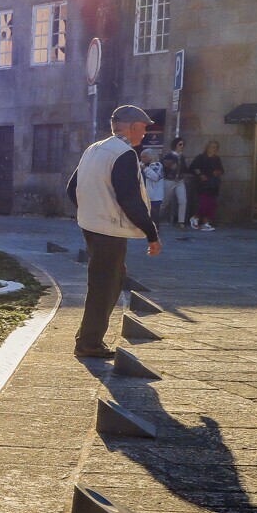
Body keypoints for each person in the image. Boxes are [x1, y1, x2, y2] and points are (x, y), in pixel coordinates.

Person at [67, 105, 161, 359]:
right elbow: (129, 198)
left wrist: (91, 211)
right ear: (133, 127)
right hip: (109, 228)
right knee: (105, 285)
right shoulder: (124, 153)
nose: (144, 133)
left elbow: (72, 188)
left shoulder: (94, 149)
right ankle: (89, 343)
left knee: (109, 280)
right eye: (143, 128)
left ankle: (88, 338)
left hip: (92, 225)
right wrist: (151, 233)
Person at [186, 139, 224, 230]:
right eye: (212, 147)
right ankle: (195, 217)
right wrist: (200, 175)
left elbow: (222, 170)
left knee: (211, 204)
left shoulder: (217, 159)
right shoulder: (201, 158)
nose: (214, 149)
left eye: (216, 147)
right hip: (203, 185)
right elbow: (191, 169)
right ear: (207, 147)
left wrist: (218, 172)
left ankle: (205, 223)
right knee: (204, 203)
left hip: (214, 184)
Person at [160, 136, 188, 229]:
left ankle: (181, 222)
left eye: (183, 144)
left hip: (179, 181)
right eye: (180, 144)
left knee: (183, 200)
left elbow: (185, 169)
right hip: (169, 180)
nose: (182, 146)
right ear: (175, 145)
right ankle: (155, 218)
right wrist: (170, 168)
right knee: (165, 202)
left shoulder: (182, 157)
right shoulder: (168, 156)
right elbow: (162, 168)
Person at [140, 145, 166, 224]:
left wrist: (145, 168)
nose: (142, 159)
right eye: (141, 157)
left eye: (145, 157)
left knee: (154, 215)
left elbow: (156, 177)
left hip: (154, 196)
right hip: (144, 194)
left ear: (151, 157)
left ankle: (155, 228)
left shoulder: (157, 165)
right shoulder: (141, 164)